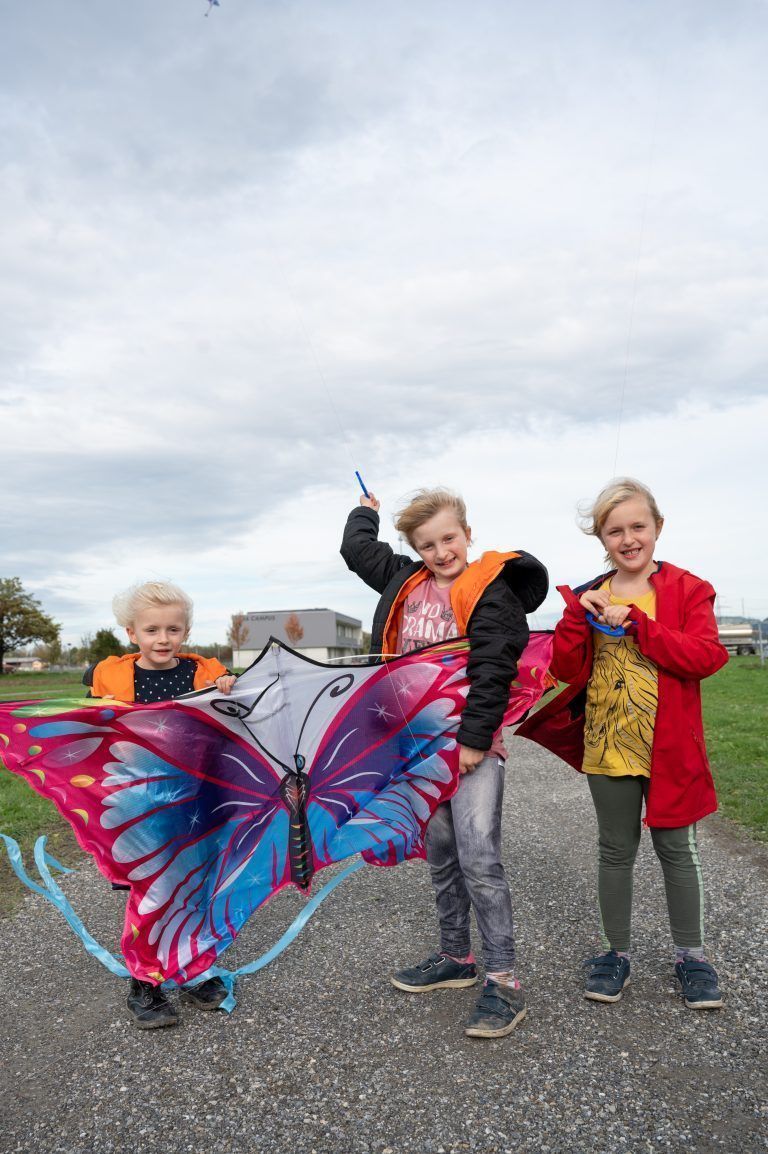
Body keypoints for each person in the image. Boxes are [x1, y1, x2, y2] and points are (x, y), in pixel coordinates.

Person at [341, 488, 548, 1038]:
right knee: (441, 853)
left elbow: (495, 667)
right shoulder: (406, 582)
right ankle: (457, 957)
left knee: (479, 855)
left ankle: (504, 981)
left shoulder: (490, 592)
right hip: (417, 751)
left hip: (471, 748)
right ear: (415, 548)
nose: (440, 552)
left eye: (449, 538)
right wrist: (366, 512)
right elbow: (357, 551)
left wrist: (475, 742)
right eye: (427, 544)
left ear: (468, 534)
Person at [518, 478, 728, 1009]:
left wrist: (638, 624)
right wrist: (574, 615)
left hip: (670, 746)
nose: (628, 538)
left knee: (677, 850)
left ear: (658, 528)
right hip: (608, 745)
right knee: (615, 850)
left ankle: (692, 957)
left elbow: (705, 657)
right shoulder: (594, 593)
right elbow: (567, 669)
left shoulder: (688, 589)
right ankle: (616, 953)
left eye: (639, 526)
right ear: (602, 539)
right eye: (616, 531)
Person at [84, 580, 236, 1029]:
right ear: (132, 633)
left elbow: (237, 715)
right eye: (152, 630)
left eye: (173, 629)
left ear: (185, 632)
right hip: (137, 806)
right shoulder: (112, 676)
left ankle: (190, 969)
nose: (163, 639)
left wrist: (229, 688)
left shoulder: (205, 673)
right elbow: (91, 734)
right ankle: (144, 982)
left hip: (193, 802)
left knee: (192, 889)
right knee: (146, 893)